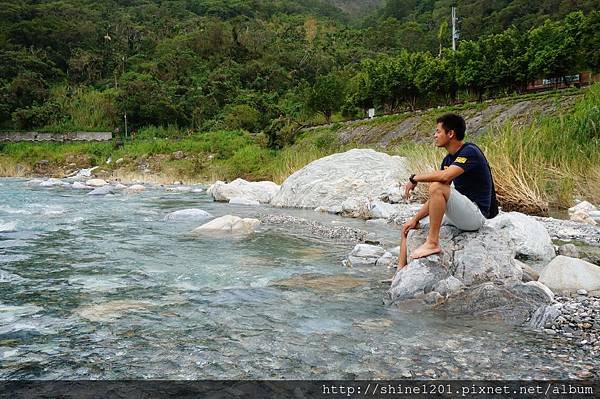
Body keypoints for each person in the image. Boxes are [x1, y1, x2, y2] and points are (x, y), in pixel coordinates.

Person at [398, 113, 495, 269]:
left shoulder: (470, 151)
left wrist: (414, 178)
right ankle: (399, 274)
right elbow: (438, 196)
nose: (435, 136)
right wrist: (415, 219)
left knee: (437, 186)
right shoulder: (448, 160)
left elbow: (444, 178)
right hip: (460, 214)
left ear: (450, 134)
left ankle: (433, 243)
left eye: (438, 131)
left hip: (476, 215)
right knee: (408, 227)